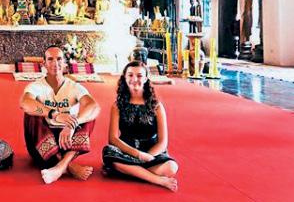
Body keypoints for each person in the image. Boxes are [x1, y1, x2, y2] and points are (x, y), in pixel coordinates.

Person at [20, 45, 100, 184]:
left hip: (66, 142)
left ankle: (61, 166)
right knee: (31, 114)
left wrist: (72, 125)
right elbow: (25, 103)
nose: (55, 63)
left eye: (59, 59)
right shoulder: (36, 86)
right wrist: (55, 114)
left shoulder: (74, 86)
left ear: (64, 63)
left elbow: (94, 106)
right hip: (41, 144)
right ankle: (68, 165)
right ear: (44, 64)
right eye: (50, 59)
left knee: (89, 116)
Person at [102, 61, 179, 191]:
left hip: (151, 151)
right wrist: (138, 155)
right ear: (124, 78)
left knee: (171, 167)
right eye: (130, 75)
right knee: (108, 152)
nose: (134, 79)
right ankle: (156, 179)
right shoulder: (117, 106)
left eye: (139, 75)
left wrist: (147, 156)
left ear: (146, 78)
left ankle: (129, 172)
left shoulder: (157, 106)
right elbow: (113, 139)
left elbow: (163, 142)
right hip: (127, 151)